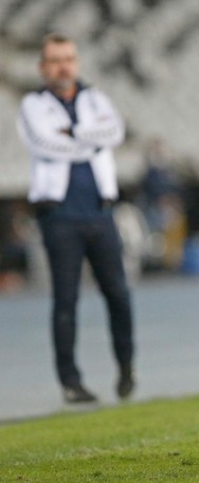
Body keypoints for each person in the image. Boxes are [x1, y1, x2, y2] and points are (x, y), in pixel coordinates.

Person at [18, 33, 136, 404]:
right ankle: (70, 380)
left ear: (77, 62)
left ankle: (127, 367)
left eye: (68, 58)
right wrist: (90, 139)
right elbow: (45, 143)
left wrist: (75, 133)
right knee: (66, 300)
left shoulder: (95, 97)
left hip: (100, 213)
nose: (63, 66)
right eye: (55, 60)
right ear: (43, 67)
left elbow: (115, 132)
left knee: (118, 294)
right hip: (60, 215)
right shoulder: (33, 105)